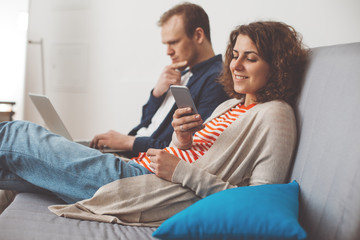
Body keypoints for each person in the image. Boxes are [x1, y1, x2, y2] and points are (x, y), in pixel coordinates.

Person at [0, 21, 308, 224]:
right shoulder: (231, 105)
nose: (236, 65)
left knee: (16, 132)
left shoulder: (275, 115)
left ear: (277, 65)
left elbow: (256, 208)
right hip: (141, 169)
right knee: (9, 173)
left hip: (144, 186)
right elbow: (192, 155)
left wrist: (180, 169)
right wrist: (181, 142)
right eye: (235, 55)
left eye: (250, 58)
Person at [89, 2, 228, 157]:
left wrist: (129, 142)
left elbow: (192, 146)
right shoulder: (181, 74)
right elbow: (147, 125)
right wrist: (157, 94)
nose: (168, 51)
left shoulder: (216, 79)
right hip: (130, 154)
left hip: (146, 162)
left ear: (198, 36)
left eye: (174, 42)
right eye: (166, 44)